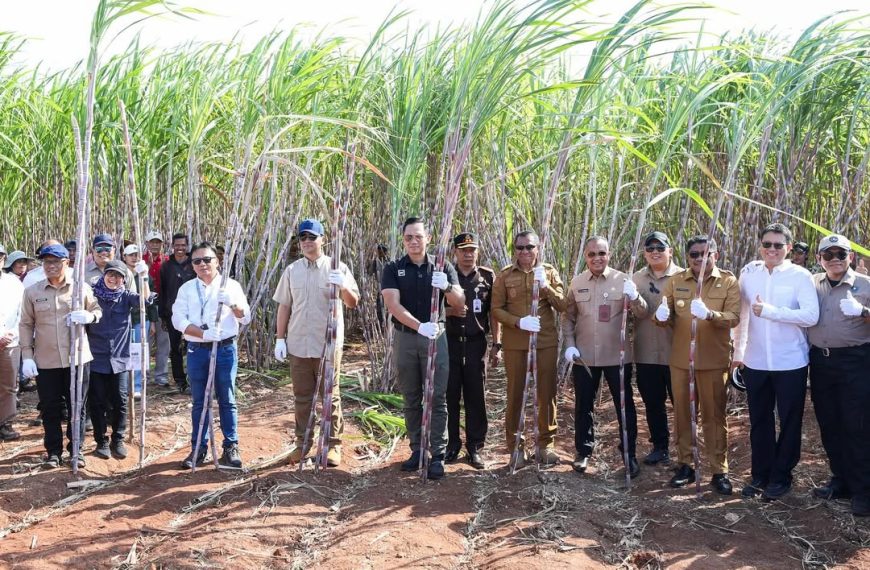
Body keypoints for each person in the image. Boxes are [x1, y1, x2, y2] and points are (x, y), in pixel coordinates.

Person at [732, 223, 818, 500]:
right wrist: (738, 353)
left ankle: (782, 476)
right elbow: (743, 316)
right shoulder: (749, 273)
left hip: (790, 361)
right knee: (759, 420)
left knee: (790, 421)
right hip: (755, 361)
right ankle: (760, 474)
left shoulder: (801, 276)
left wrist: (772, 312)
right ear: (760, 246)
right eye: (767, 244)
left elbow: (810, 316)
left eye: (778, 245)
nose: (772, 249)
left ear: (789, 248)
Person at [655, 235, 739, 495]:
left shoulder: (728, 281)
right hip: (682, 362)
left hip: (713, 362)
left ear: (716, 254)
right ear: (687, 257)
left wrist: (711, 315)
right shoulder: (677, 281)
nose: (700, 259)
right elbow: (665, 316)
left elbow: (734, 317)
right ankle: (685, 465)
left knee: (714, 417)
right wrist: (660, 316)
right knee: (683, 414)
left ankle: (718, 470)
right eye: (694, 254)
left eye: (706, 253)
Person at [381, 217, 464, 480]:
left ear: (428, 238)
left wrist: (447, 287)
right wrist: (419, 326)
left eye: (418, 236)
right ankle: (417, 449)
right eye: (409, 238)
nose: (414, 242)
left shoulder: (443, 267)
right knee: (411, 396)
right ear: (403, 239)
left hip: (436, 338)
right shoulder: (393, 268)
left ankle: (437, 454)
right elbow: (393, 304)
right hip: (407, 337)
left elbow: (459, 302)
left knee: (437, 396)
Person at [273, 219, 360, 467]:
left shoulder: (337, 267)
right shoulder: (292, 271)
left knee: (330, 396)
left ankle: (332, 445)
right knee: (302, 396)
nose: (308, 242)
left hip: (328, 345)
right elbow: (284, 306)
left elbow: (353, 302)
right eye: (303, 238)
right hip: (299, 343)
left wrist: (342, 286)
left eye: (312, 237)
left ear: (323, 239)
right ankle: (302, 444)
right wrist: (280, 339)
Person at [19, 243, 102, 468]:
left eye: (56, 261)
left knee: (78, 406)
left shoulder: (79, 288)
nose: (51, 266)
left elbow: (97, 311)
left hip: (78, 359)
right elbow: (26, 324)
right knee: (50, 407)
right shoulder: (33, 292)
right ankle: (53, 452)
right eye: (47, 262)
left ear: (66, 263)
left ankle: (76, 450)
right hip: (46, 360)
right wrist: (27, 356)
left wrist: (88, 316)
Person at [562, 236, 639, 477]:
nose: (597, 258)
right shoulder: (576, 283)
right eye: (592, 254)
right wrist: (570, 344)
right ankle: (583, 452)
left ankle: (629, 455)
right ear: (585, 256)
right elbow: (568, 317)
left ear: (609, 254)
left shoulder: (623, 280)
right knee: (584, 404)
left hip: (618, 356)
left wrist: (635, 297)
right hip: (585, 358)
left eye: (601, 253)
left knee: (624, 406)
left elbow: (642, 313)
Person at [172, 241, 251, 469]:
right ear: (192, 265)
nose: (203, 264)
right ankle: (199, 448)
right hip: (198, 350)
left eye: (207, 259)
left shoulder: (231, 286)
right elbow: (179, 320)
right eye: (197, 261)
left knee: (227, 398)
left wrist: (233, 304)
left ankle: (231, 447)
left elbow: (245, 317)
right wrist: (204, 334)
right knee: (200, 401)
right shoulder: (187, 289)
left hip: (225, 349)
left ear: (217, 261)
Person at [807, 234, 870, 516]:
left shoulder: (865, 285)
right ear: (819, 259)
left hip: (855, 362)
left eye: (841, 254)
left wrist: (864, 311)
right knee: (829, 423)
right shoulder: (813, 284)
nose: (835, 260)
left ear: (851, 257)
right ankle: (840, 480)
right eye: (828, 254)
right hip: (821, 362)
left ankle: (863, 490)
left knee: (856, 426)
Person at [492, 230, 567, 467]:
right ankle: (516, 447)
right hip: (516, 344)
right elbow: (495, 309)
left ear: (537, 249)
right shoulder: (505, 276)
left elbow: (563, 305)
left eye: (529, 247)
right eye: (520, 248)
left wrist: (545, 287)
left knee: (547, 393)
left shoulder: (548, 272)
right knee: (516, 394)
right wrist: (518, 322)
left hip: (545, 342)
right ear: (514, 250)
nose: (525, 252)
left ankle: (546, 445)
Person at [444, 232, 501, 469]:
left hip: (477, 344)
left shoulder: (487, 276)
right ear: (455, 252)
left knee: (476, 396)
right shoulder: (447, 276)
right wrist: (449, 313)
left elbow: (494, 313)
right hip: (449, 343)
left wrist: (497, 345)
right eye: (463, 250)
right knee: (450, 395)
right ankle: (451, 445)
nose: (468, 254)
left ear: (478, 252)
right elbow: (433, 309)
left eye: (472, 250)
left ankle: (475, 447)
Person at [86, 259, 150, 459]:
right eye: (110, 275)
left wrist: (144, 277)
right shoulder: (93, 294)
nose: (113, 279)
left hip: (120, 359)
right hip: (96, 358)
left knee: (120, 400)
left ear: (123, 280)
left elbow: (144, 301)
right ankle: (101, 441)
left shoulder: (126, 297)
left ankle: (118, 439)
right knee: (97, 402)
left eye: (118, 276)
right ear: (104, 276)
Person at [629, 231, 683, 466]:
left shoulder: (683, 277)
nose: (655, 253)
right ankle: (660, 446)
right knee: (653, 403)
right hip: (646, 352)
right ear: (644, 253)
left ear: (670, 250)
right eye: (650, 249)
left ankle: (686, 451)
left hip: (676, 353)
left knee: (680, 404)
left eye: (660, 248)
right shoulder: (636, 279)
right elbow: (633, 315)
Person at [159, 233, 195, 392]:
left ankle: (193, 378)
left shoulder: (193, 264)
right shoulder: (166, 266)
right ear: (172, 246)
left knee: (192, 346)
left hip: (192, 313)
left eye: (183, 245)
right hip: (172, 314)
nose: (180, 248)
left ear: (187, 246)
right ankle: (180, 381)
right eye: (177, 245)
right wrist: (163, 314)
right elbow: (163, 291)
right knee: (175, 349)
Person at [123, 244, 160, 397]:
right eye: (130, 255)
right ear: (124, 257)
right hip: (123, 321)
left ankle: (137, 386)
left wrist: (152, 322)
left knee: (138, 353)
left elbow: (149, 300)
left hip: (140, 319)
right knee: (123, 353)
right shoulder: (120, 273)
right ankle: (124, 385)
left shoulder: (144, 275)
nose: (134, 257)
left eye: (136, 255)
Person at [0, 246, 23, 441]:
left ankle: (5, 424)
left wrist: (10, 334)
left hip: (10, 342)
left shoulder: (13, 283)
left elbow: (23, 313)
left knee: (9, 385)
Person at [142, 231, 171, 387]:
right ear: (146, 244)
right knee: (144, 342)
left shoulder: (167, 261)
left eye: (157, 242)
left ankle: (161, 376)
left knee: (163, 343)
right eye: (152, 242)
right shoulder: (140, 261)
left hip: (163, 307)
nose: (154, 245)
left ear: (162, 244)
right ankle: (144, 376)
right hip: (144, 308)